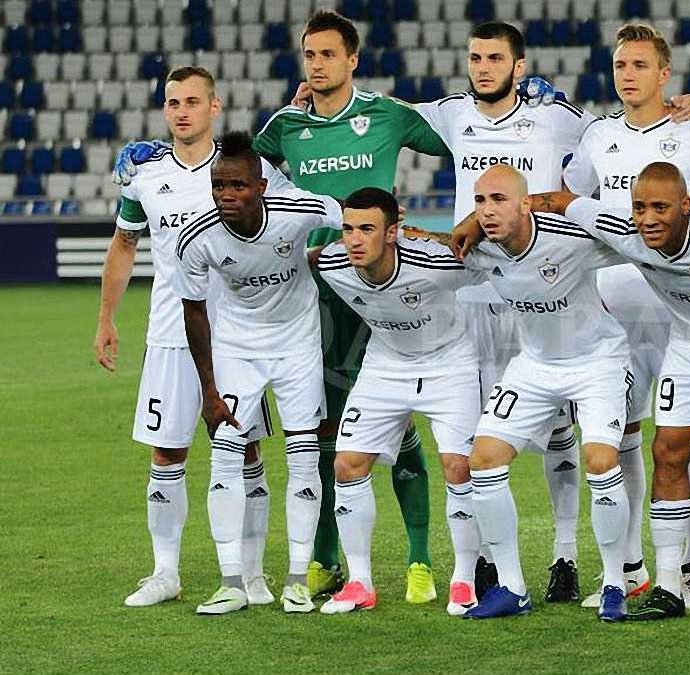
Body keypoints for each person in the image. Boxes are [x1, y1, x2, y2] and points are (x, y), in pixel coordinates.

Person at [409, 21, 690, 605]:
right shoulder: (456, 116)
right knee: (493, 447)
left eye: (496, 58)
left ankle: (652, 567)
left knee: (669, 441)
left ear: (519, 66)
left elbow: (584, 200)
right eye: (476, 57)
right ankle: (508, 569)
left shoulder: (569, 120)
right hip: (500, 293)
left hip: (625, 300)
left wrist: (684, 112)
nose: (484, 67)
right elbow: (382, 114)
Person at [513, 161, 690, 625]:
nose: (648, 219)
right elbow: (560, 201)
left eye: (661, 208)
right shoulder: (622, 230)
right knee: (668, 452)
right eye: (640, 207)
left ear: (686, 206)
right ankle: (668, 586)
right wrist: (471, 223)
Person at [560, 23, 690, 609]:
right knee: (620, 435)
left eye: (640, 65)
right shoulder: (599, 137)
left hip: (687, 315)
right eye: (620, 66)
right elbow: (568, 200)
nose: (627, 75)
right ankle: (630, 568)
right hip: (613, 313)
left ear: (664, 74)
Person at [251, 9, 452, 603]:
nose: (317, 65)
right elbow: (240, 180)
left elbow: (467, 141)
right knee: (325, 429)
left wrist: (536, 103)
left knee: (400, 422)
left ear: (352, 59)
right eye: (309, 55)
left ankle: (419, 560)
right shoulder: (285, 126)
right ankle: (325, 557)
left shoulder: (386, 115)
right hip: (315, 295)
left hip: (383, 291)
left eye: (328, 54)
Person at [95, 66, 280, 608]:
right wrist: (106, 318)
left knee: (245, 449)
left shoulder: (244, 170)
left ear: (214, 106)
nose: (182, 111)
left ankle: (252, 575)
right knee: (167, 451)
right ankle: (165, 572)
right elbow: (124, 244)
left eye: (193, 101)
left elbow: (288, 223)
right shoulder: (145, 176)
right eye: (173, 102)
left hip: (237, 334)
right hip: (169, 333)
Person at [454, 165, 633, 622]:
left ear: (526, 203)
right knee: (484, 460)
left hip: (597, 361)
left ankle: (616, 583)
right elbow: (434, 252)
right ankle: (512, 587)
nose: (487, 211)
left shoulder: (570, 238)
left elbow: (629, 237)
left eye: (498, 199)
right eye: (480, 202)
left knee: (601, 461)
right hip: (534, 366)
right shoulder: (479, 249)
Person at [173, 131, 342, 614]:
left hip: (297, 347)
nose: (227, 195)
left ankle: (297, 581)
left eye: (238, 186)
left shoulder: (297, 211)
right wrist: (209, 391)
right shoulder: (198, 237)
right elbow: (194, 312)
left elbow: (349, 216)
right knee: (225, 455)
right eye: (219, 185)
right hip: (237, 349)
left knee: (303, 457)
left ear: (262, 186)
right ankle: (232, 583)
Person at [313, 187, 487, 615]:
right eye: (348, 229)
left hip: (450, 363)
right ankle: (359, 583)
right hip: (386, 364)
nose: (355, 240)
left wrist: (441, 235)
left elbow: (489, 263)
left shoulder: (434, 262)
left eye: (367, 229)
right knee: (347, 464)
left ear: (392, 232)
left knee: (459, 466)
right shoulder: (333, 263)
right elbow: (298, 260)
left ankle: (463, 581)